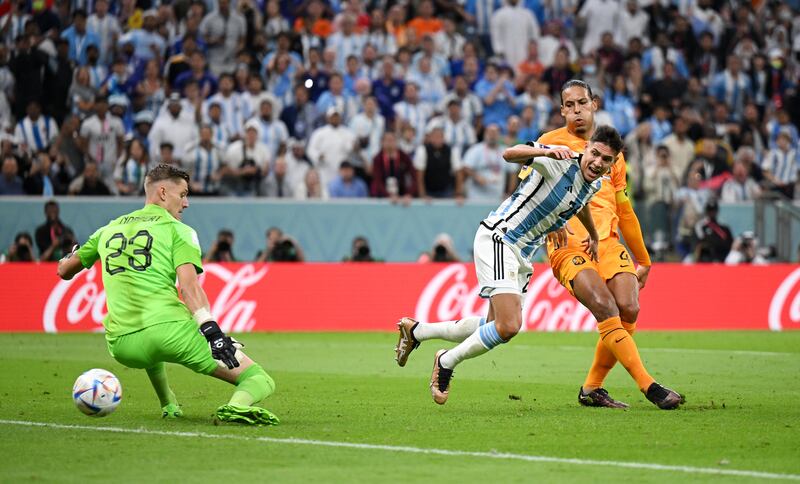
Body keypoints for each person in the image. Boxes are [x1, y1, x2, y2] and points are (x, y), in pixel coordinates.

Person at [395, 127, 624, 406]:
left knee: (492, 325)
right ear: (587, 148)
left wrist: (592, 234)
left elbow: (580, 202)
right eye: (595, 154)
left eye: (606, 160)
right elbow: (509, 153)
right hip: (500, 238)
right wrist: (545, 151)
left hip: (523, 254)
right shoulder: (558, 160)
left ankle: (417, 331)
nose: (598, 163)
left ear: (613, 164)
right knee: (509, 325)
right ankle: (446, 360)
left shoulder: (594, 184)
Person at [56, 164, 279, 425]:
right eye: (183, 194)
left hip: (122, 344)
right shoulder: (179, 231)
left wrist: (68, 257)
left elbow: (65, 271)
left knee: (152, 350)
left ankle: (169, 404)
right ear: (163, 192)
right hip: (171, 334)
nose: (186, 203)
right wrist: (213, 333)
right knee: (258, 378)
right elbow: (189, 288)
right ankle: (236, 406)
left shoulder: (107, 230)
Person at [534, 80, 682, 410]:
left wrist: (644, 260)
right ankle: (650, 386)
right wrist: (549, 225)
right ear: (561, 111)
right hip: (568, 247)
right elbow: (529, 194)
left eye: (581, 103)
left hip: (609, 244)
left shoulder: (613, 154)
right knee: (605, 306)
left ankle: (592, 388)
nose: (576, 111)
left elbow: (625, 209)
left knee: (629, 308)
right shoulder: (549, 144)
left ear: (594, 104)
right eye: (569, 105)